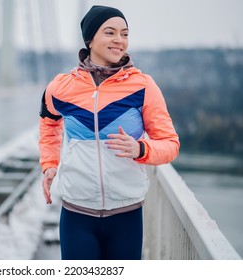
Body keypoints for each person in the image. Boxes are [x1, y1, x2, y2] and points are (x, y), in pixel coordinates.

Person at [38, 5, 180, 260]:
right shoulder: (60, 87)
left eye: (125, 34)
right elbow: (49, 124)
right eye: (110, 32)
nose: (119, 40)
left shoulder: (142, 86)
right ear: (90, 39)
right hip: (76, 214)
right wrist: (50, 163)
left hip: (126, 215)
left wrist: (140, 149)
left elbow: (170, 144)